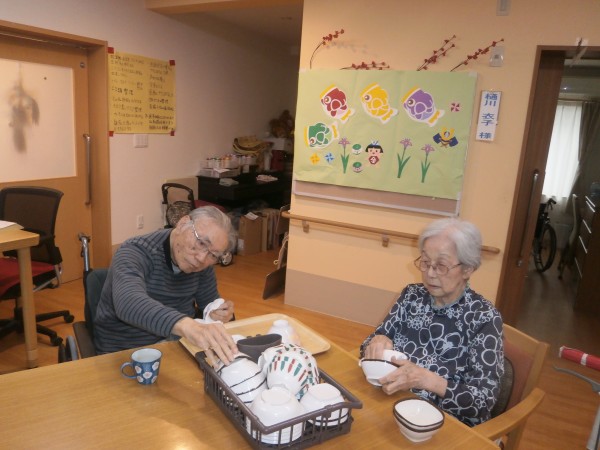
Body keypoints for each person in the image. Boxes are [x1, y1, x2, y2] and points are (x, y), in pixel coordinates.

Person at [360, 218, 504, 427]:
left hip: (447, 423)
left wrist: (426, 380)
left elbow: (482, 402)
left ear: (468, 269)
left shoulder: (483, 317)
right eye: (426, 262)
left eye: (441, 266)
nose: (429, 273)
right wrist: (378, 340)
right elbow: (366, 348)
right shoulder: (412, 296)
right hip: (396, 403)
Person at [94, 206, 239, 364]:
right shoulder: (135, 251)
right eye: (201, 242)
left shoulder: (202, 264)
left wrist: (218, 312)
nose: (202, 258)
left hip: (176, 345)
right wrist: (186, 326)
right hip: (125, 351)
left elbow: (209, 303)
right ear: (183, 223)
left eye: (214, 255)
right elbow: (128, 302)